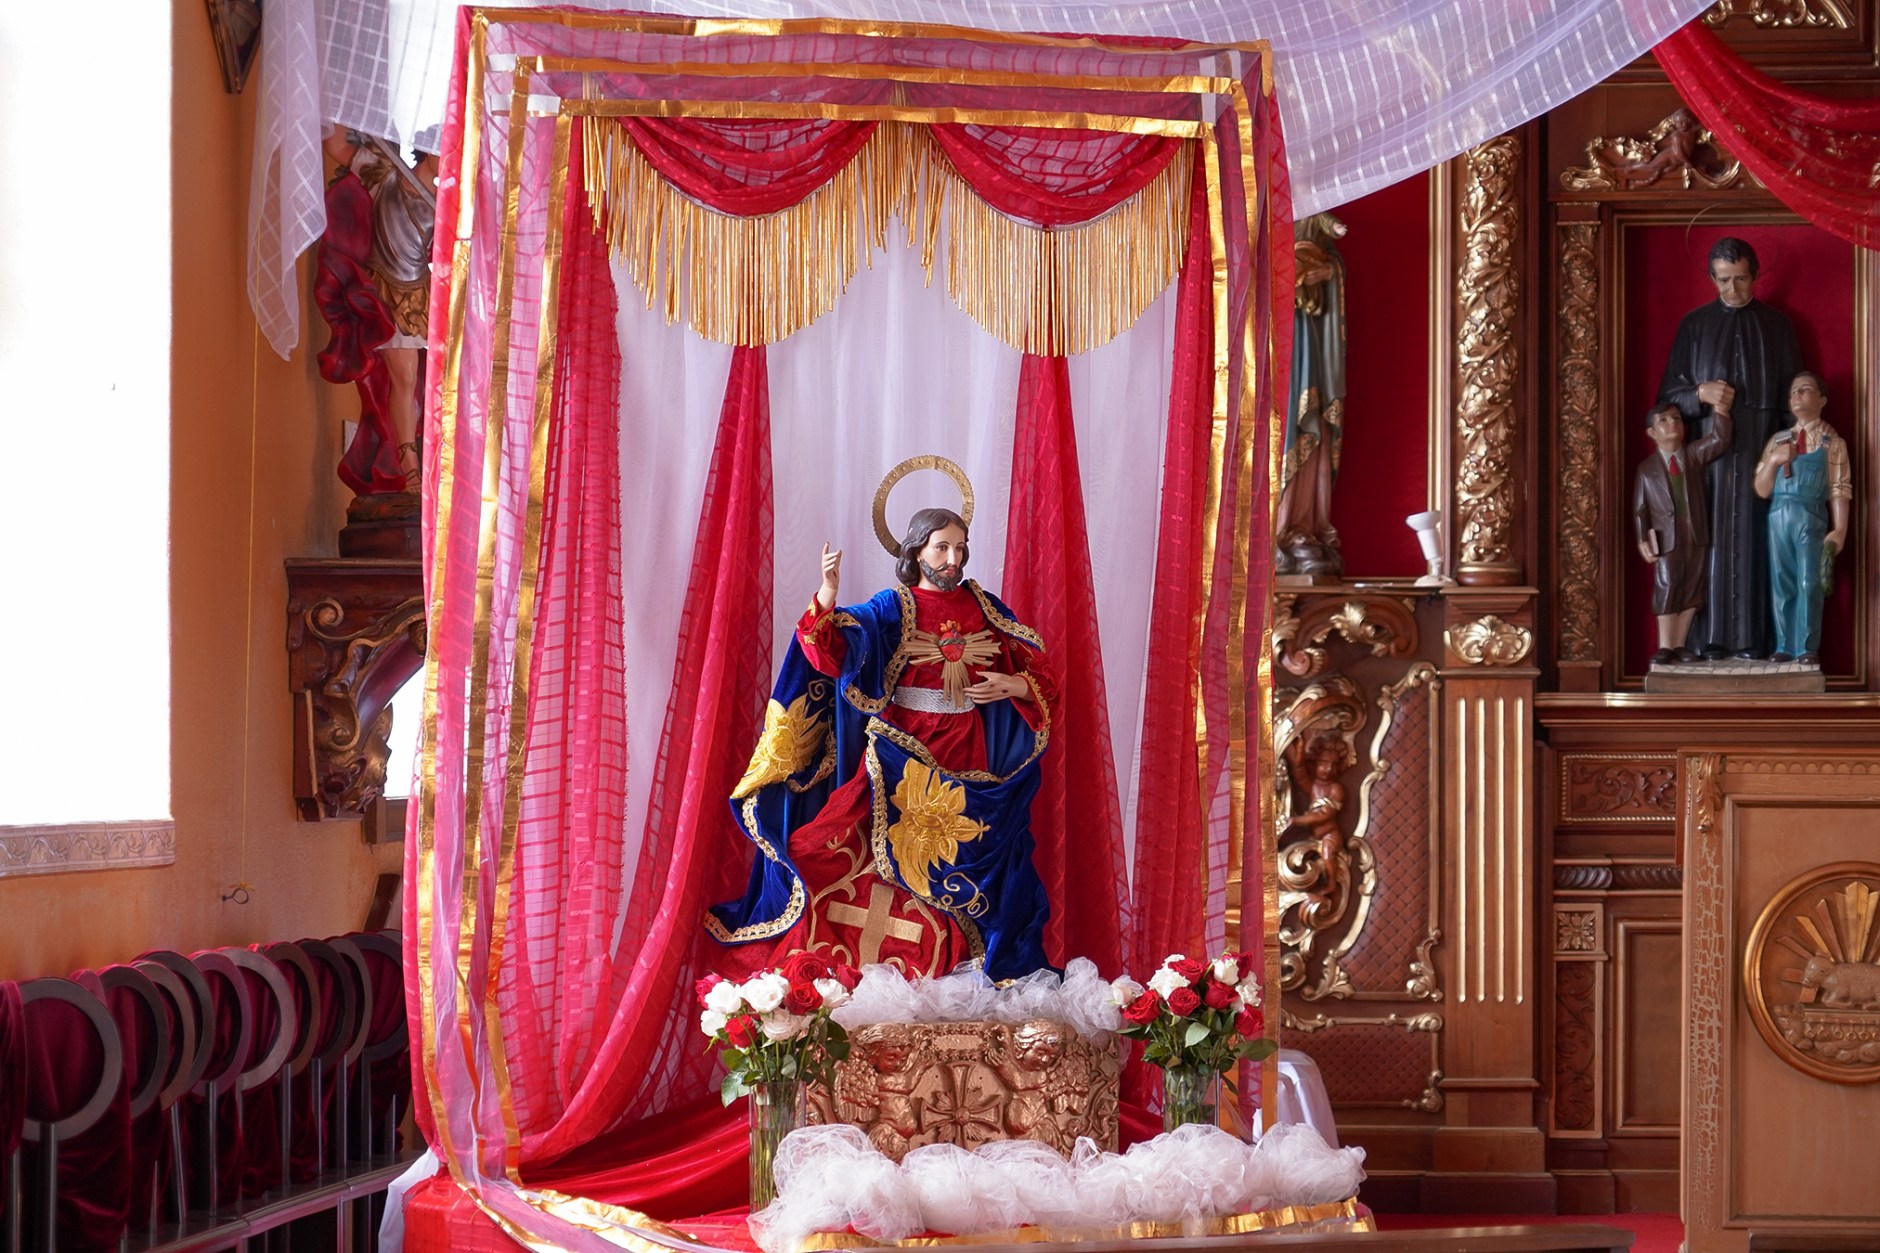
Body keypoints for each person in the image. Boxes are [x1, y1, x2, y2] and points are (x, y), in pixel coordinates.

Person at [707, 508, 1057, 982]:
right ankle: (859, 962)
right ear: (916, 550)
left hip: (966, 751)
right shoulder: (894, 606)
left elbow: (1038, 670)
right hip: (901, 744)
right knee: (834, 844)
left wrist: (1015, 686)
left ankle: (949, 966)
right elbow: (833, 649)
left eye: (959, 548)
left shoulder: (984, 607)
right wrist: (827, 594)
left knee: (963, 856)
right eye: (941, 547)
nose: (953, 559)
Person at [1656, 236, 1801, 659]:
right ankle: (1710, 641)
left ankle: (1757, 640)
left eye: (1740, 279)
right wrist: (1700, 393)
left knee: (1759, 543)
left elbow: (1793, 400)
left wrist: (1788, 453)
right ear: (1712, 278)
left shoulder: (1778, 327)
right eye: (1723, 280)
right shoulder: (1694, 325)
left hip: (1761, 447)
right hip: (1709, 457)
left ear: (1754, 276)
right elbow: (1666, 401)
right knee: (1710, 543)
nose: (1732, 289)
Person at [1753, 372, 1850, 665]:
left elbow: (1839, 488)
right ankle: (1784, 644)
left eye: (1805, 389)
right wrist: (1774, 461)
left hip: (1811, 514)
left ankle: (1807, 646)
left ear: (1822, 400)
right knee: (1781, 582)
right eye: (1793, 391)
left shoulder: (1833, 443)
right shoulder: (1778, 441)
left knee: (1810, 581)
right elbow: (1761, 488)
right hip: (1779, 515)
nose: (1797, 395)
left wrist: (1840, 529)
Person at [1276, 213, 1348, 578]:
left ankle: (1301, 526)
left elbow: (1331, 254)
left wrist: (1327, 273)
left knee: (1310, 419)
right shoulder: (1253, 206)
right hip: (1271, 337)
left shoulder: (1315, 215)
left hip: (1306, 334)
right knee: (1277, 426)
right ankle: (1272, 530)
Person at [1634, 401, 1733, 665]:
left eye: (1677, 418)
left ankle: (1680, 644)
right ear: (1651, 433)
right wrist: (1642, 539)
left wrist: (1721, 409)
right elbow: (1640, 509)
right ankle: (1665, 645)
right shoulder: (1647, 469)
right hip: (1666, 537)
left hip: (1695, 531)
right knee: (1668, 583)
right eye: (1664, 420)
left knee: (1692, 586)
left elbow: (1720, 440)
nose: (1673, 424)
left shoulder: (1693, 455)